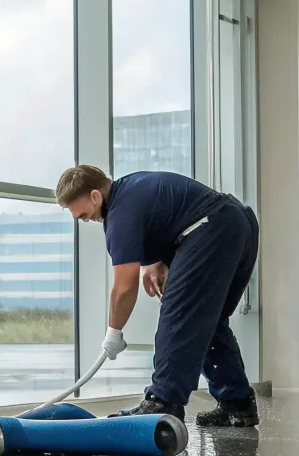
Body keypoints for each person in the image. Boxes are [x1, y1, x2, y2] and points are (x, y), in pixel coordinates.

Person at [57, 164, 260, 426]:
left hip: (211, 229)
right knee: (206, 322)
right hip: (236, 224)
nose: (83, 219)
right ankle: (237, 403)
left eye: (82, 214)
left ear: (95, 196)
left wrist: (113, 332)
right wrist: (156, 260)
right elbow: (164, 217)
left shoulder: (119, 214)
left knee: (179, 317)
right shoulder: (131, 189)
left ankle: (163, 402)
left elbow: (124, 286)